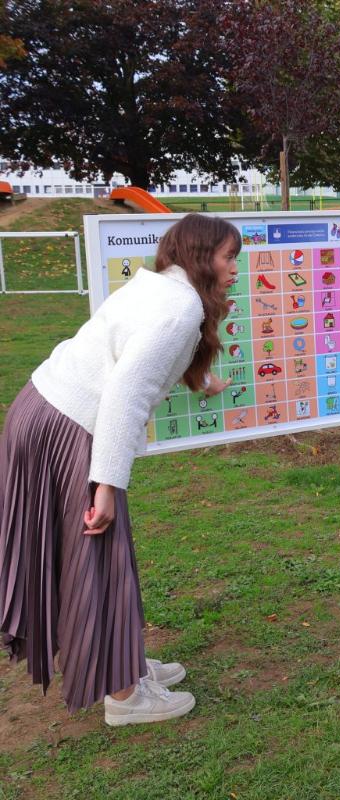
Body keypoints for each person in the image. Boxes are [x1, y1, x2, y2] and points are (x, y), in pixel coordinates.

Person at [0, 213, 240, 725]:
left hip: (42, 409)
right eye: (229, 257)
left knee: (91, 552)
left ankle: (121, 664)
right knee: (99, 550)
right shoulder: (180, 308)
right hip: (69, 426)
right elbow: (125, 394)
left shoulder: (162, 289)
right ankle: (125, 696)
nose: (235, 269)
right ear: (202, 258)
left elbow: (141, 356)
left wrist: (203, 381)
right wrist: (106, 485)